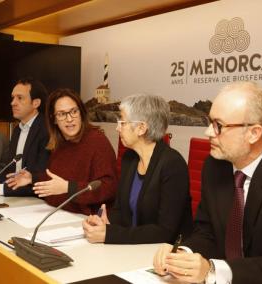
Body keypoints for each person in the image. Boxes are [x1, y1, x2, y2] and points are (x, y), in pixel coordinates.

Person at [153, 82, 262, 284]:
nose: (207, 132)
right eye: (209, 122)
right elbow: (207, 232)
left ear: (254, 133)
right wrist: (183, 254)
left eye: (219, 125)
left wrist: (213, 271)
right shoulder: (215, 167)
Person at [82, 94, 193, 244]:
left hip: (164, 254)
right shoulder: (130, 158)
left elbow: (165, 232)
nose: (117, 128)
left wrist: (110, 234)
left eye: (122, 122)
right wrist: (105, 222)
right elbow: (121, 210)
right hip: (132, 248)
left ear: (141, 128)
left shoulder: (172, 164)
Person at [6, 88, 118, 215]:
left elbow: (109, 187)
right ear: (54, 119)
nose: (69, 119)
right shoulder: (60, 143)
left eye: (73, 111)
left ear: (81, 113)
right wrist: (33, 178)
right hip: (56, 212)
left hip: (85, 219)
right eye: (61, 114)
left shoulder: (97, 141)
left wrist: (68, 188)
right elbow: (58, 179)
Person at [0, 78, 50, 196]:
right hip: (17, 198)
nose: (13, 103)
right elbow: (11, 172)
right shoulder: (17, 130)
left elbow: (39, 179)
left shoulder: (47, 130)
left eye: (19, 98)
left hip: (36, 202)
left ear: (36, 103)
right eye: (13, 97)